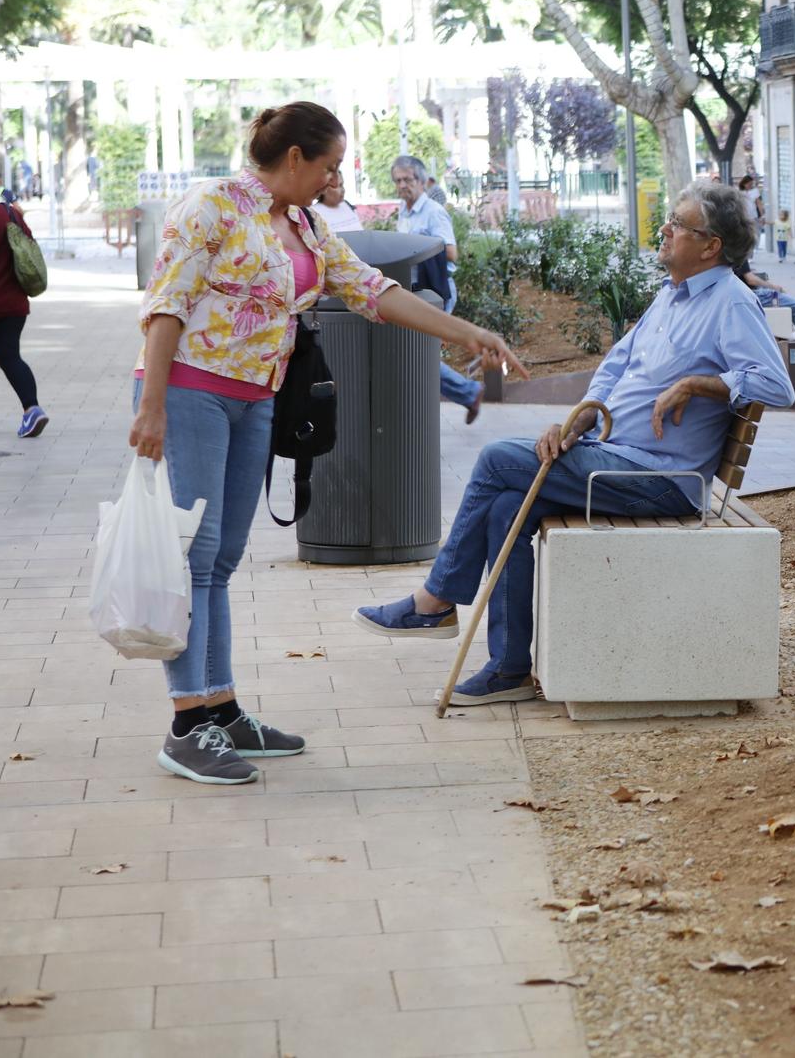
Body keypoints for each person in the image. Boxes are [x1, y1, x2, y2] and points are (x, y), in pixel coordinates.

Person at [130, 102, 523, 784]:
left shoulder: (305, 225)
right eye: (330, 165)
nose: (334, 179)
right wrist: (154, 405)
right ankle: (186, 722)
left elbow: (372, 288)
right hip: (190, 390)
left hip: (255, 396)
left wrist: (466, 334)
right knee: (192, 553)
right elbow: (166, 302)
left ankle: (221, 708)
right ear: (294, 159)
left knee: (221, 557)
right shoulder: (213, 205)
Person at [354, 183, 795, 704]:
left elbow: (777, 384)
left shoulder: (730, 303)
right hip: (618, 458)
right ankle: (509, 669)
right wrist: (572, 428)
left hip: (660, 480)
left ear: (711, 245)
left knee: (498, 458)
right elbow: (614, 369)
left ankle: (435, 600)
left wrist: (704, 384)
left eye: (678, 224)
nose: (665, 230)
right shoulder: (671, 294)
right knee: (504, 505)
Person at [393, 155, 484, 424]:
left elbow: (452, 253)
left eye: (408, 179)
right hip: (412, 292)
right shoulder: (404, 210)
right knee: (414, 352)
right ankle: (467, 393)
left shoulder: (433, 211)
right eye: (398, 180)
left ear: (422, 181)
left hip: (434, 293)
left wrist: (415, 248)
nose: (403, 185)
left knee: (416, 353)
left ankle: (468, 392)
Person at [0, 194, 47, 438]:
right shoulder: (10, 213)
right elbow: (29, 247)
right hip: (11, 304)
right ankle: (32, 409)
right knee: (11, 357)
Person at [313, 166, 363, 234]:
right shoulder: (314, 213)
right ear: (323, 189)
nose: (343, 190)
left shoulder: (347, 205)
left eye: (342, 185)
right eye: (338, 186)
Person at [739, 173, 766, 249]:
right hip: (743, 217)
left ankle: (752, 251)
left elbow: (759, 204)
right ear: (743, 183)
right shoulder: (739, 192)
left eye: (751, 183)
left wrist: (763, 216)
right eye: (748, 183)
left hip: (753, 216)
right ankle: (748, 252)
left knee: (755, 234)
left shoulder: (755, 191)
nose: (750, 185)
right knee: (746, 235)